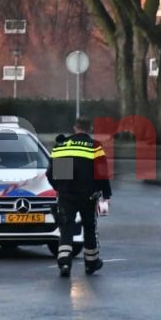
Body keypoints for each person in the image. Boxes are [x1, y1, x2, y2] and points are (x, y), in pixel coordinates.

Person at [46, 116, 112, 278]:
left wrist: (59, 188)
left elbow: (52, 173)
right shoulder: (94, 146)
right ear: (89, 129)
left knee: (66, 228)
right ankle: (91, 263)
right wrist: (106, 193)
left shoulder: (62, 145)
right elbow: (101, 172)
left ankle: (64, 263)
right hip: (88, 196)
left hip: (66, 195)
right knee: (89, 228)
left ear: (75, 128)